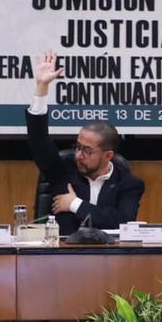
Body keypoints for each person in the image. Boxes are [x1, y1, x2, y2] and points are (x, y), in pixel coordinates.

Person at [27, 50, 145, 234]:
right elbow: (39, 141)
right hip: (63, 251)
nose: (78, 155)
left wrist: (75, 204)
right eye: (78, 147)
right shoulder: (63, 171)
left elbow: (121, 222)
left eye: (87, 151)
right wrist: (42, 87)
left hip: (109, 253)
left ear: (108, 155)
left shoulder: (128, 183)